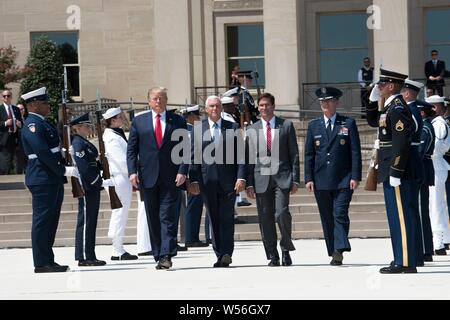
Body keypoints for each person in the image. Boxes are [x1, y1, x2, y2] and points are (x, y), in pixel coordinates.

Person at [127, 87, 188, 270]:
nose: (158, 101)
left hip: (172, 176)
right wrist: (132, 172)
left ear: (166, 100)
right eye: (154, 98)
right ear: (149, 101)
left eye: (161, 98)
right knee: (153, 217)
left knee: (167, 217)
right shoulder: (139, 122)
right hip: (148, 177)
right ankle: (158, 252)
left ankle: (166, 254)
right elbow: (132, 150)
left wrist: (183, 171)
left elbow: (186, 149)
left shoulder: (177, 121)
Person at [21, 87, 78, 273]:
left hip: (50, 178)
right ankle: (41, 262)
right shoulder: (32, 124)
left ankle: (47, 259)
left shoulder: (43, 123)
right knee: (43, 221)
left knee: (50, 220)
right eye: (45, 103)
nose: (48, 106)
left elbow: (51, 149)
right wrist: (62, 169)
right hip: (42, 178)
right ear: (34, 104)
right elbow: (42, 152)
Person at [366, 69, 418, 274]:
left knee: (401, 217)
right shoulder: (390, 107)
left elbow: (401, 143)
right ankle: (401, 257)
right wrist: (371, 101)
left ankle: (405, 261)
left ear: (391, 86)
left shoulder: (397, 108)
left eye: (381, 84)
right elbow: (374, 121)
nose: (378, 87)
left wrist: (396, 170)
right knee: (395, 217)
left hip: (398, 171)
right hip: (390, 169)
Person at [304, 87, 362, 266]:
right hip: (321, 179)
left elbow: (355, 152)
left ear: (337, 102)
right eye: (322, 101)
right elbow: (309, 154)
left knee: (340, 213)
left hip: (343, 178)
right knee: (327, 216)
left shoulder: (348, 123)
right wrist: (308, 178)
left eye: (328, 101)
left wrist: (355, 176)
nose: (324, 104)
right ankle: (334, 251)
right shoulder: (314, 126)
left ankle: (340, 247)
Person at [189, 96, 246, 268]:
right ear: (206, 109)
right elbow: (193, 157)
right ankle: (219, 253)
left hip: (228, 181)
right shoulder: (198, 129)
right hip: (207, 182)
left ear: (221, 108)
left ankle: (227, 252)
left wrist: (241, 177)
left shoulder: (232, 127)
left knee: (227, 217)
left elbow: (241, 156)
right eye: (211, 106)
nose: (214, 108)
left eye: (217, 105)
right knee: (214, 218)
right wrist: (193, 180)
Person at [246, 93, 300, 267]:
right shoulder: (252, 129)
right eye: (261, 105)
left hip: (282, 178)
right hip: (260, 178)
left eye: (267, 105)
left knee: (282, 213)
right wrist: (249, 183)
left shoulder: (286, 125)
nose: (264, 108)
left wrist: (296, 179)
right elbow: (248, 159)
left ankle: (285, 249)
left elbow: (294, 154)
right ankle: (272, 254)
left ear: (273, 106)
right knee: (265, 218)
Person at [70, 113, 108, 267]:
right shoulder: (78, 143)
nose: (88, 128)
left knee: (91, 221)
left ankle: (90, 254)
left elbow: (92, 162)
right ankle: (85, 256)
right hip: (87, 185)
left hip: (91, 185)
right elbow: (84, 167)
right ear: (78, 128)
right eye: (86, 126)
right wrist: (97, 181)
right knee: (86, 221)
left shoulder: (83, 142)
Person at [102, 107, 139, 261]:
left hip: (122, 177)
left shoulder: (117, 134)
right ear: (113, 120)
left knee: (121, 213)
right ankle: (117, 249)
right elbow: (121, 160)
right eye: (120, 117)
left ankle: (118, 247)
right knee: (120, 213)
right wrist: (134, 172)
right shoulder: (111, 137)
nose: (123, 119)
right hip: (119, 177)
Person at [400, 79, 426, 266]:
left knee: (410, 210)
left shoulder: (410, 111)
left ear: (408, 94)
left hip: (410, 163)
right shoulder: (412, 110)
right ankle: (416, 254)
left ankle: (415, 255)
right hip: (413, 161)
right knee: (411, 210)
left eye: (401, 92)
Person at [180, 105, 209, 248]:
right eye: (196, 116)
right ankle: (190, 237)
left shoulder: (194, 130)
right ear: (190, 116)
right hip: (192, 172)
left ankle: (193, 236)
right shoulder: (186, 131)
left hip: (198, 170)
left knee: (196, 206)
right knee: (193, 205)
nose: (199, 118)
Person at [425, 95, 450, 255]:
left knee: (435, 205)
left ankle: (438, 243)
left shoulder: (438, 125)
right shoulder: (438, 123)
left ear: (435, 107)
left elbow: (436, 148)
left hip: (436, 165)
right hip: (436, 166)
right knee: (438, 204)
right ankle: (445, 239)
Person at [221, 96, 251, 209]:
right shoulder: (227, 119)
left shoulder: (230, 117)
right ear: (225, 107)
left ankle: (234, 211)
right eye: (231, 106)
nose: (234, 108)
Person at [416, 100, 436, 262]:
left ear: (422, 113)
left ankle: (425, 249)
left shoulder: (424, 128)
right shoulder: (425, 126)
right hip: (423, 170)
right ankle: (426, 248)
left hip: (421, 171)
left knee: (422, 211)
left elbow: (419, 152)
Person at [0, 89, 22, 174]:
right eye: (4, 96)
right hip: (3, 139)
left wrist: (20, 125)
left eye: (8, 96)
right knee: (5, 162)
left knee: (14, 161)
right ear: (2, 98)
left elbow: (21, 123)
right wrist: (5, 123)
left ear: (11, 97)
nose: (6, 97)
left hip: (14, 138)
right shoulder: (0, 109)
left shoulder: (16, 109)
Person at [14, 103, 27, 174]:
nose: (21, 110)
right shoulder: (15, 120)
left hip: (27, 146)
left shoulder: (27, 118)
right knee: (19, 165)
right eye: (19, 109)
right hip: (19, 146)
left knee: (27, 165)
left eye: (22, 109)